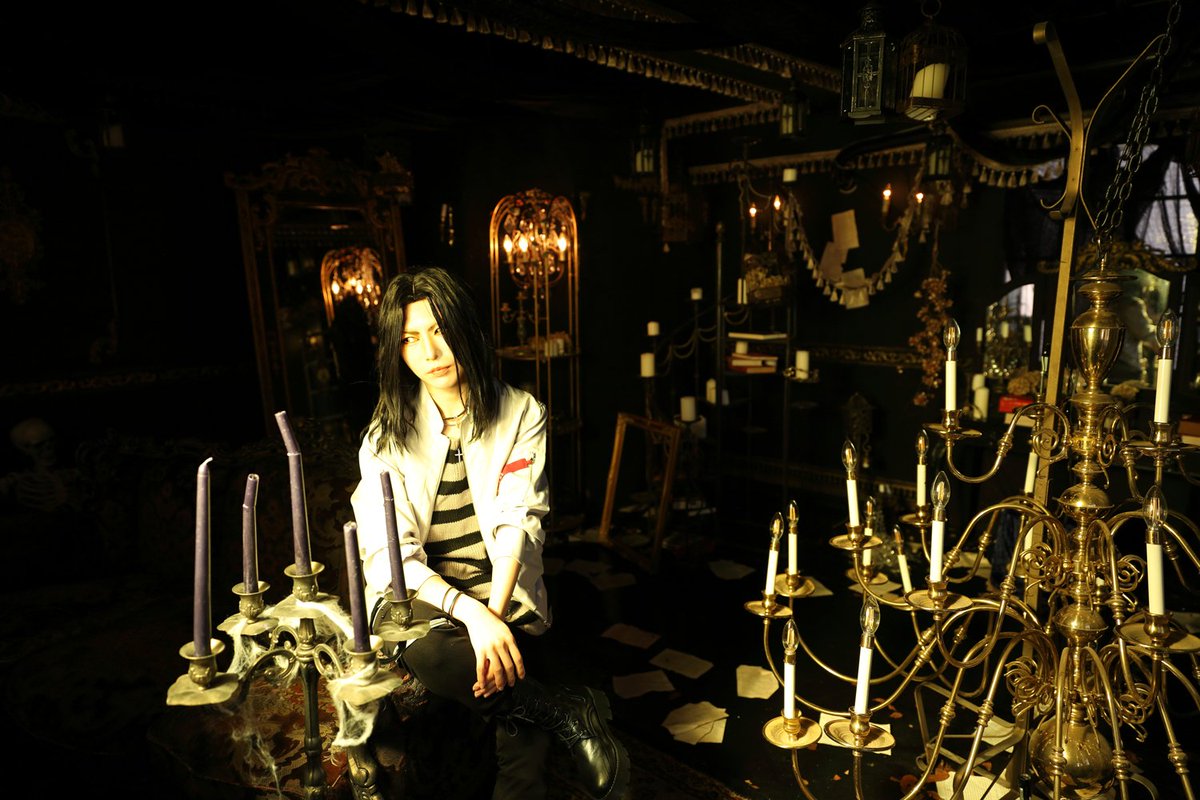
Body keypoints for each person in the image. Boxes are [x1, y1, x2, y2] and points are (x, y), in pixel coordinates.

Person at [350, 266, 629, 800]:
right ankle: (567, 712)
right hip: (423, 601)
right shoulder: (384, 438)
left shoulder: (521, 412)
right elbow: (390, 554)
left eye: (439, 330)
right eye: (410, 338)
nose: (429, 352)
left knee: (522, 743)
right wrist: (471, 617)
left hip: (497, 590)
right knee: (433, 655)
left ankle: (543, 714)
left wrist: (492, 617)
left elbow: (517, 520)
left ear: (465, 328)